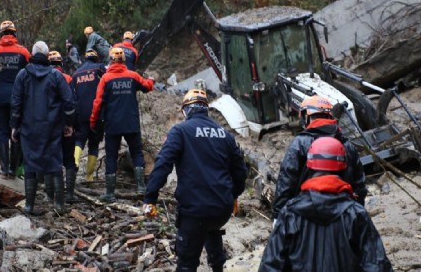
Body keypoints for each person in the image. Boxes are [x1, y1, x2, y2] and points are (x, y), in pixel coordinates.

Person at [143, 89, 248, 272]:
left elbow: (163, 163)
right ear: (205, 109)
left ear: (186, 110)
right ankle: (217, 265)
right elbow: (240, 172)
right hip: (221, 209)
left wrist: (150, 197)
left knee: (186, 262)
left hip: (195, 211)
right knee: (211, 226)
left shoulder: (180, 131)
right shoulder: (224, 134)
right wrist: (233, 196)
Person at [259, 137, 392, 272]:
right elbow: (376, 266)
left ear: (309, 168)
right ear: (343, 169)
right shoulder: (356, 214)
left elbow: (270, 266)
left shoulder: (290, 214)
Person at [272, 94, 367, 224]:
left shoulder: (300, 143)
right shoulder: (346, 145)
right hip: (343, 216)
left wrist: (278, 214)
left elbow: (286, 181)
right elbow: (359, 185)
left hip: (305, 217)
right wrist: (357, 213)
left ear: (307, 116)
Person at [10, 41, 75, 215]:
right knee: (54, 163)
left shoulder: (22, 75)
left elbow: (16, 103)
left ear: (32, 54)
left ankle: (29, 206)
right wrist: (68, 123)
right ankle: (60, 205)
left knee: (30, 164)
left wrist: (14, 126)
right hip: (52, 127)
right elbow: (68, 101)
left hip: (28, 128)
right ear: (47, 57)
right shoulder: (56, 76)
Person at [90, 47, 154, 200]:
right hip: (131, 122)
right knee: (137, 153)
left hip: (113, 124)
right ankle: (140, 188)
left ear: (110, 60)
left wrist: (93, 121)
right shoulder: (133, 76)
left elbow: (98, 102)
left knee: (111, 156)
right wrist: (152, 79)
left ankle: (110, 193)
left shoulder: (105, 79)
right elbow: (147, 86)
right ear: (124, 60)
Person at [0, 20, 30, 179]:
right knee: (16, 132)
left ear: (1, 34)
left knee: (2, 132)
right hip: (18, 99)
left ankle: (3, 169)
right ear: (14, 33)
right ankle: (13, 171)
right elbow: (32, 72)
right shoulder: (23, 52)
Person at [70, 49, 106, 182]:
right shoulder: (100, 68)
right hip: (97, 113)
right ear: (96, 58)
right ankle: (89, 176)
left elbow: (72, 96)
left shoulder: (76, 73)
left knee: (79, 141)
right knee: (94, 144)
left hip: (80, 114)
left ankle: (74, 165)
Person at [48, 50, 77, 203]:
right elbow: (72, 102)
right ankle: (70, 194)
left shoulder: (44, 79)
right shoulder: (68, 78)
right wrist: (70, 124)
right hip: (66, 126)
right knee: (69, 160)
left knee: (52, 159)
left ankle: (52, 195)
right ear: (60, 63)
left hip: (50, 126)